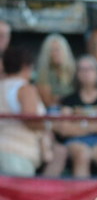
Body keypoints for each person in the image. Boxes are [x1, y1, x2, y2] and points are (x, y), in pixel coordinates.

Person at [0, 45, 64, 177]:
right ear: (26, 66)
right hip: (17, 155)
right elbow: (31, 120)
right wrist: (50, 124)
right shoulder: (25, 89)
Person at [34, 33, 77, 109]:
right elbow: (48, 102)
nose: (55, 54)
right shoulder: (43, 74)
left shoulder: (74, 71)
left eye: (58, 49)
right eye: (52, 50)